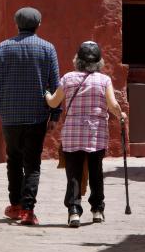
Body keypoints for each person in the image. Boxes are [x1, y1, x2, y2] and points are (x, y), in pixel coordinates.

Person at [0, 7, 61, 226]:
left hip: (10, 115)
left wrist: (1, 110)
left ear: (16, 24)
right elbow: (55, 85)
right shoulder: (48, 48)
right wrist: (55, 114)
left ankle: (15, 205)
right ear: (38, 24)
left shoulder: (2, 48)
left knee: (13, 159)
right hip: (37, 115)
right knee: (32, 163)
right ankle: (28, 210)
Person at [45, 41, 126, 228]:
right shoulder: (104, 80)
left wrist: (46, 94)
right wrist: (121, 114)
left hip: (72, 133)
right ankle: (97, 210)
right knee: (96, 171)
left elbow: (53, 103)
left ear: (78, 60)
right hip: (96, 133)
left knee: (74, 173)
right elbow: (113, 105)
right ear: (99, 62)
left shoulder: (68, 78)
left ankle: (74, 211)